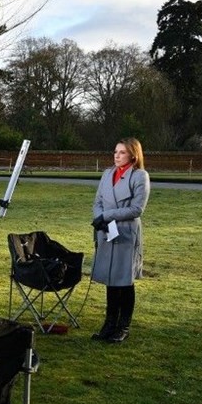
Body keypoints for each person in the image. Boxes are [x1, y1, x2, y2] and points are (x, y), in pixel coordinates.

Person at [90, 137, 151, 343]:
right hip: (107, 231)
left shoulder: (139, 176)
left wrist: (106, 216)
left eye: (122, 152)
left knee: (123, 280)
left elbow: (137, 209)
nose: (117, 155)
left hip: (125, 232)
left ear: (133, 155)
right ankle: (109, 324)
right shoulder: (107, 174)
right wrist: (99, 218)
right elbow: (98, 201)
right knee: (110, 279)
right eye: (115, 152)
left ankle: (123, 327)